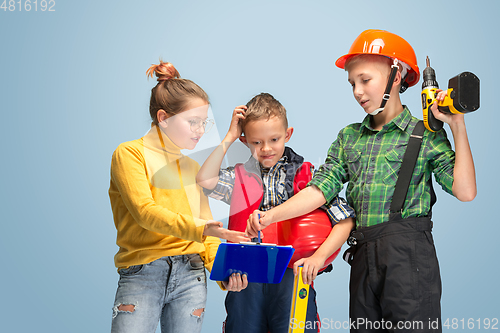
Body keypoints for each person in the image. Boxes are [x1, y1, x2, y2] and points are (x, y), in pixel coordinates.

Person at [247, 30, 477, 332]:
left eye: (365, 80)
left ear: (397, 76)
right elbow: (319, 190)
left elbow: (465, 191)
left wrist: (457, 125)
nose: (357, 91)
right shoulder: (349, 137)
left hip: (408, 258)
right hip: (363, 255)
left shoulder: (425, 133)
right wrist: (269, 216)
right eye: (352, 83)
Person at [109, 60, 249, 333]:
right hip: (142, 273)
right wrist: (203, 229)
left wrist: (224, 273)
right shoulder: (130, 154)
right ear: (163, 117)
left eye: (204, 123)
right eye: (193, 122)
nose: (200, 130)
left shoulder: (193, 168)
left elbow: (208, 232)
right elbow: (144, 212)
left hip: (192, 276)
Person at [196, 92, 355, 333]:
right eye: (256, 142)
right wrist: (229, 136)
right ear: (245, 140)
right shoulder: (238, 176)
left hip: (293, 277)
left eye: (274, 139)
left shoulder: (308, 177)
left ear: (288, 135)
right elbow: (205, 179)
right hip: (246, 279)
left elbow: (345, 219)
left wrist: (318, 258)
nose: (266, 148)